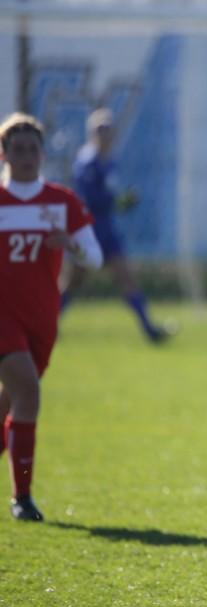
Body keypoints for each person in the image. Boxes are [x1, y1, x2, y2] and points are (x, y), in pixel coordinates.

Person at [0, 112, 103, 521]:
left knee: (13, 399)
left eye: (32, 149)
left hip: (42, 319)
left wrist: (69, 246)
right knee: (29, 393)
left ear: (43, 154)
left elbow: (93, 256)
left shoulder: (62, 201)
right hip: (3, 317)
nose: (26, 156)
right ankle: (22, 498)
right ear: (4, 153)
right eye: (17, 149)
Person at [60, 108, 170, 343]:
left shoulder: (109, 161)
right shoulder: (86, 162)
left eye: (108, 129)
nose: (105, 134)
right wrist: (118, 202)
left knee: (126, 278)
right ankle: (45, 325)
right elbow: (90, 199)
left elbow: (107, 200)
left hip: (106, 231)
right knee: (71, 283)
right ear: (91, 133)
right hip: (87, 231)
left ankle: (149, 329)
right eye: (100, 129)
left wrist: (122, 203)